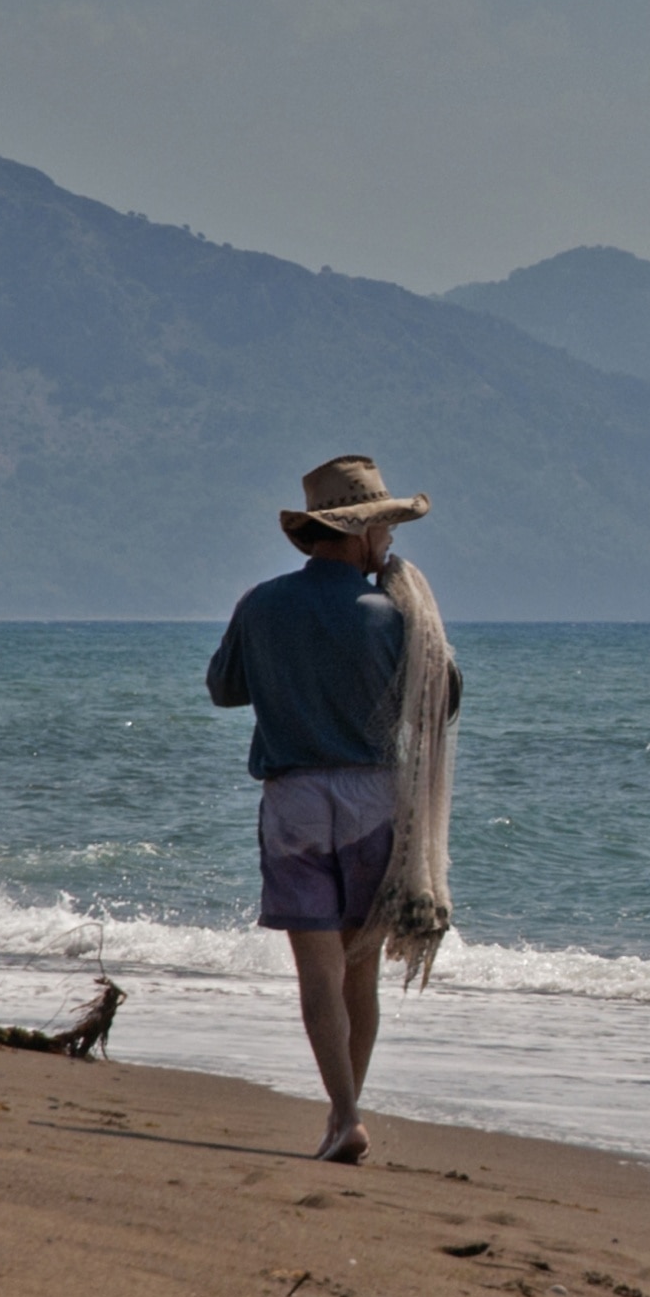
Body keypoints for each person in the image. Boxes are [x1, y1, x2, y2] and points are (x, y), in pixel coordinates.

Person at [204, 455, 461, 1164]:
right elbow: (445, 697)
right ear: (360, 532)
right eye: (384, 527)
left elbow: (224, 690)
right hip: (376, 801)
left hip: (294, 801)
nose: (390, 542)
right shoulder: (392, 616)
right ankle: (344, 1112)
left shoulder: (261, 603)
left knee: (317, 976)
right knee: (360, 975)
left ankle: (344, 1116)